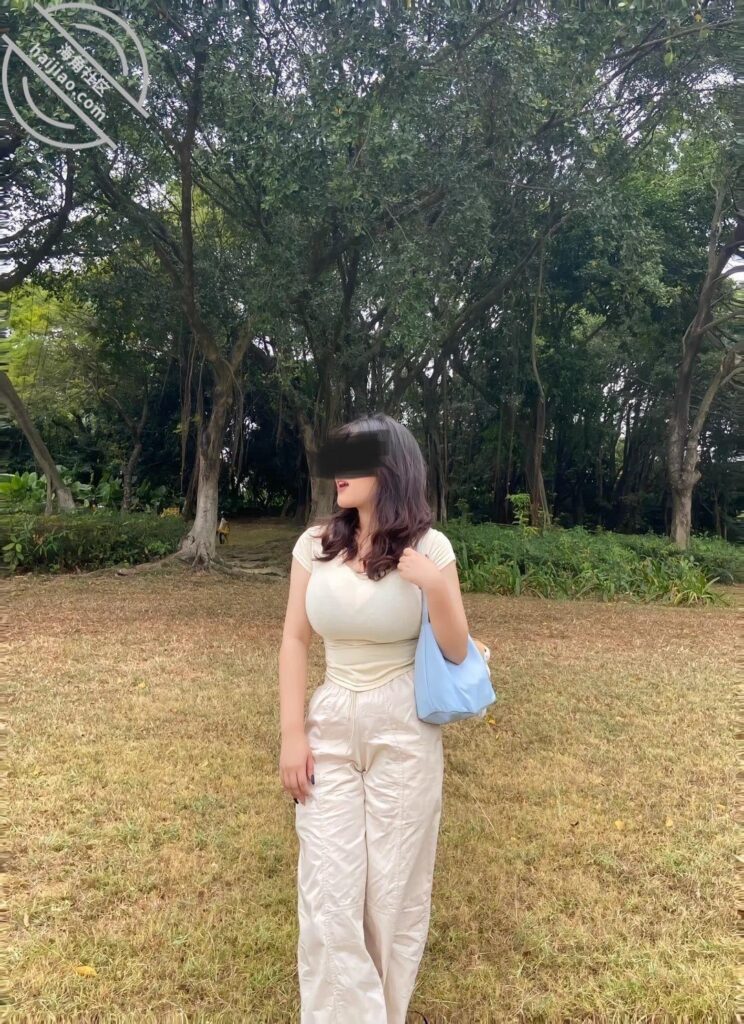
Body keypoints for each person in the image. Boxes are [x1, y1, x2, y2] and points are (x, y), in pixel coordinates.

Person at [278, 412, 474, 1024]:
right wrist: (292, 734)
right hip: (330, 718)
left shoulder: (431, 548)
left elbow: (457, 651)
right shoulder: (314, 545)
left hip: (404, 725)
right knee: (329, 893)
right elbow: (294, 640)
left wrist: (434, 586)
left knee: (392, 896)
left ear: (390, 468)